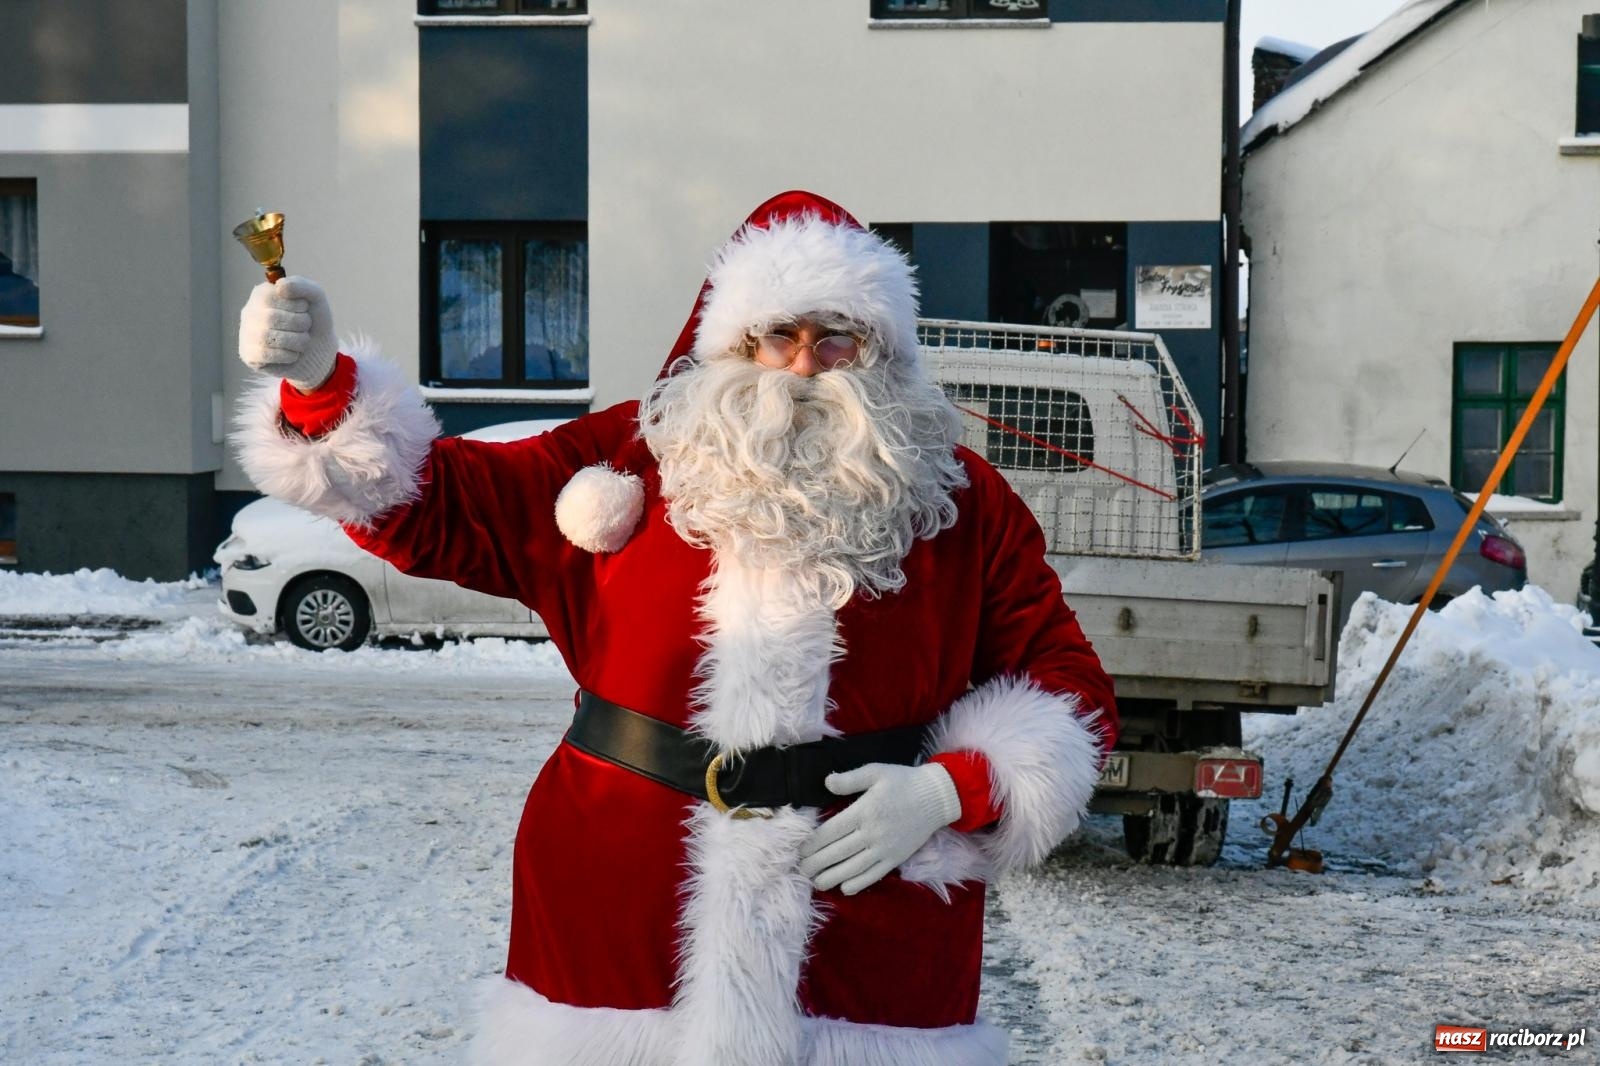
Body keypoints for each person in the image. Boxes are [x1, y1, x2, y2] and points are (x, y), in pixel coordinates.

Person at [234, 190, 1117, 1066]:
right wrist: (321, 391)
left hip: (867, 923)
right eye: (779, 335)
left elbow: (1067, 683)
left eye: (836, 338)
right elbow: (438, 503)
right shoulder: (628, 457)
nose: (803, 367)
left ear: (880, 350)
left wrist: (949, 791)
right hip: (620, 909)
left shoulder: (959, 501)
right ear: (733, 343)